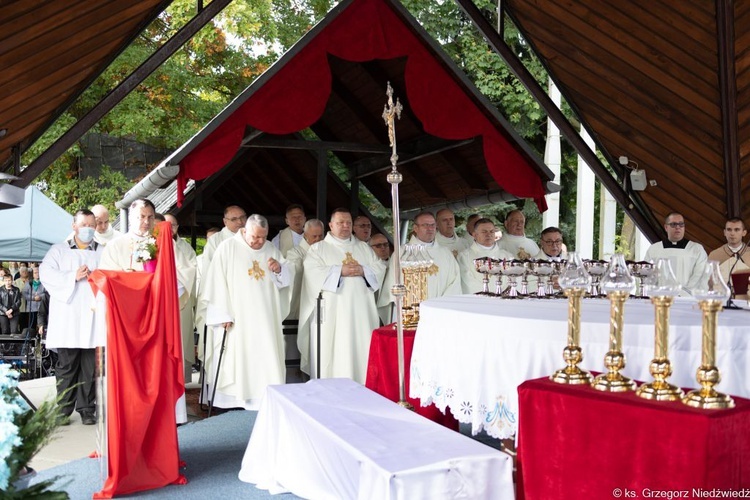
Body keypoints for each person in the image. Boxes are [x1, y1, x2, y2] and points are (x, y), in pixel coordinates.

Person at [203, 214, 294, 410]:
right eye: (255, 237)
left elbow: (286, 278)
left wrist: (279, 269)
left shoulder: (270, 248)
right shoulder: (227, 248)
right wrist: (222, 314)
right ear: (244, 230)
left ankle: (265, 397)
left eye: (263, 237)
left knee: (266, 354)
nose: (260, 241)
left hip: (266, 318)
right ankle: (232, 401)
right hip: (237, 318)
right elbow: (216, 283)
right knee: (236, 357)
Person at [298, 208, 385, 382]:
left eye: (348, 223)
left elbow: (380, 267)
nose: (345, 226)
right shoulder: (318, 249)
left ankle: (363, 385)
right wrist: (339, 271)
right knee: (334, 350)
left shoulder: (363, 248)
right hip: (332, 313)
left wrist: (363, 270)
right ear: (331, 225)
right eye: (340, 223)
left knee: (362, 348)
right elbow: (312, 272)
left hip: (362, 313)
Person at [39, 209, 103, 425]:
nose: (88, 229)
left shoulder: (103, 252)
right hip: (68, 318)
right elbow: (46, 273)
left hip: (93, 317)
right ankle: (63, 408)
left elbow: (113, 277)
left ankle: (86, 408)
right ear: (74, 226)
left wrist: (99, 278)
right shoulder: (59, 251)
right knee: (66, 366)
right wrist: (72, 277)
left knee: (89, 367)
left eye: (92, 225)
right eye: (83, 224)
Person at [379, 212, 462, 316]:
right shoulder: (402, 253)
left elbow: (454, 281)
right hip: (410, 310)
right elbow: (393, 282)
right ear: (415, 228)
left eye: (432, 225)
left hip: (441, 309)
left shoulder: (445, 253)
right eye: (425, 225)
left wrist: (443, 303)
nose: (430, 228)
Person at [165, 214, 198, 381]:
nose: (170, 229)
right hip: (162, 302)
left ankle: (180, 383)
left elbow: (193, 270)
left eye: (174, 225)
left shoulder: (185, 248)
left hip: (181, 301)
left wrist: (175, 276)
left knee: (181, 340)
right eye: (167, 225)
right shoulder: (150, 245)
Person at [644, 212, 708, 294]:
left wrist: (683, 293)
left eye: (681, 224)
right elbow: (648, 275)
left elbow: (700, 275)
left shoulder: (696, 249)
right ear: (666, 227)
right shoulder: (654, 249)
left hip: (688, 299)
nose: (678, 227)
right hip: (661, 298)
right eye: (673, 224)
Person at [457, 218, 514, 294]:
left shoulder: (507, 256)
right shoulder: (464, 257)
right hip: (478, 301)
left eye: (491, 231)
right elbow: (468, 283)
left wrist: (501, 294)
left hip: (503, 300)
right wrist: (489, 295)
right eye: (484, 232)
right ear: (474, 234)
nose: (489, 234)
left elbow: (513, 281)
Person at [99, 199, 157, 272]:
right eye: (141, 217)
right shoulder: (114, 246)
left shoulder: (164, 243)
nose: (146, 221)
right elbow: (108, 276)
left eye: (150, 217)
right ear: (130, 218)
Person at [286, 219, 325, 321]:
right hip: (303, 301)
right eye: (314, 236)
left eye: (320, 236)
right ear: (305, 235)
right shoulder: (295, 253)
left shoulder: (326, 252)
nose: (318, 239)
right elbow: (294, 270)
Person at [707, 218, 748, 292]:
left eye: (737, 230)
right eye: (729, 230)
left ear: (744, 232)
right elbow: (709, 283)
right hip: (722, 298)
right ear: (724, 232)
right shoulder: (714, 255)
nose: (732, 233)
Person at [23, 266, 46, 331]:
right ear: (32, 274)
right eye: (35, 273)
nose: (37, 274)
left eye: (38, 272)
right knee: (31, 325)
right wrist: (33, 298)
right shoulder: (28, 283)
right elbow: (24, 294)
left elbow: (47, 293)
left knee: (41, 324)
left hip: (41, 308)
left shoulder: (44, 283)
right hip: (31, 308)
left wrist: (40, 297)